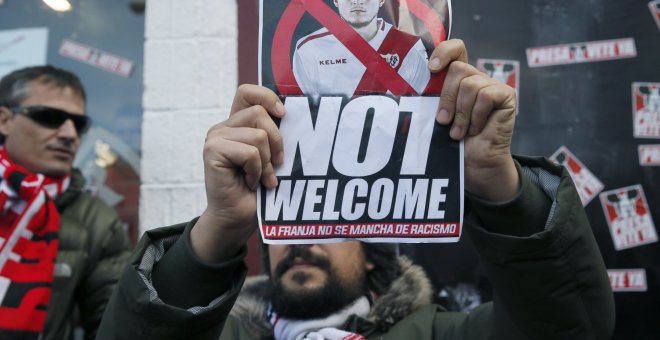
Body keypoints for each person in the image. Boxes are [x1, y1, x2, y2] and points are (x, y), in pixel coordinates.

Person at [97, 40, 615, 339]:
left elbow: (571, 328)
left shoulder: (440, 334)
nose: (301, 240)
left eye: (326, 221)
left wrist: (498, 187)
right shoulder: (221, 334)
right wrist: (220, 227)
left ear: (371, 252)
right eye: (293, 219)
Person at [0, 66, 130, 340]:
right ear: (4, 121)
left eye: (79, 123)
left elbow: (115, 327)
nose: (70, 134)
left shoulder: (96, 221)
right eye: (50, 117)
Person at [293, 0, 431, 98]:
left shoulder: (410, 47)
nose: (357, 1)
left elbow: (422, 114)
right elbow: (307, 114)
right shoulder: (308, 48)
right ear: (335, 0)